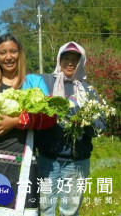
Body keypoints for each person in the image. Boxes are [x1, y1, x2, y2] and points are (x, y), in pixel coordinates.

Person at [0, 33, 56, 216]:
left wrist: (15, 122)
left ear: (20, 53)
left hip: (24, 157)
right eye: (2, 53)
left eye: (13, 51)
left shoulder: (33, 82)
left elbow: (50, 116)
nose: (8, 57)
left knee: (23, 210)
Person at [35, 41, 106, 216]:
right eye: (66, 58)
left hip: (76, 162)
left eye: (75, 59)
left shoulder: (88, 90)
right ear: (59, 60)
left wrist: (85, 122)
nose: (70, 63)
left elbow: (101, 124)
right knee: (44, 208)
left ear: (81, 63)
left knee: (70, 210)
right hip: (47, 160)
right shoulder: (46, 84)